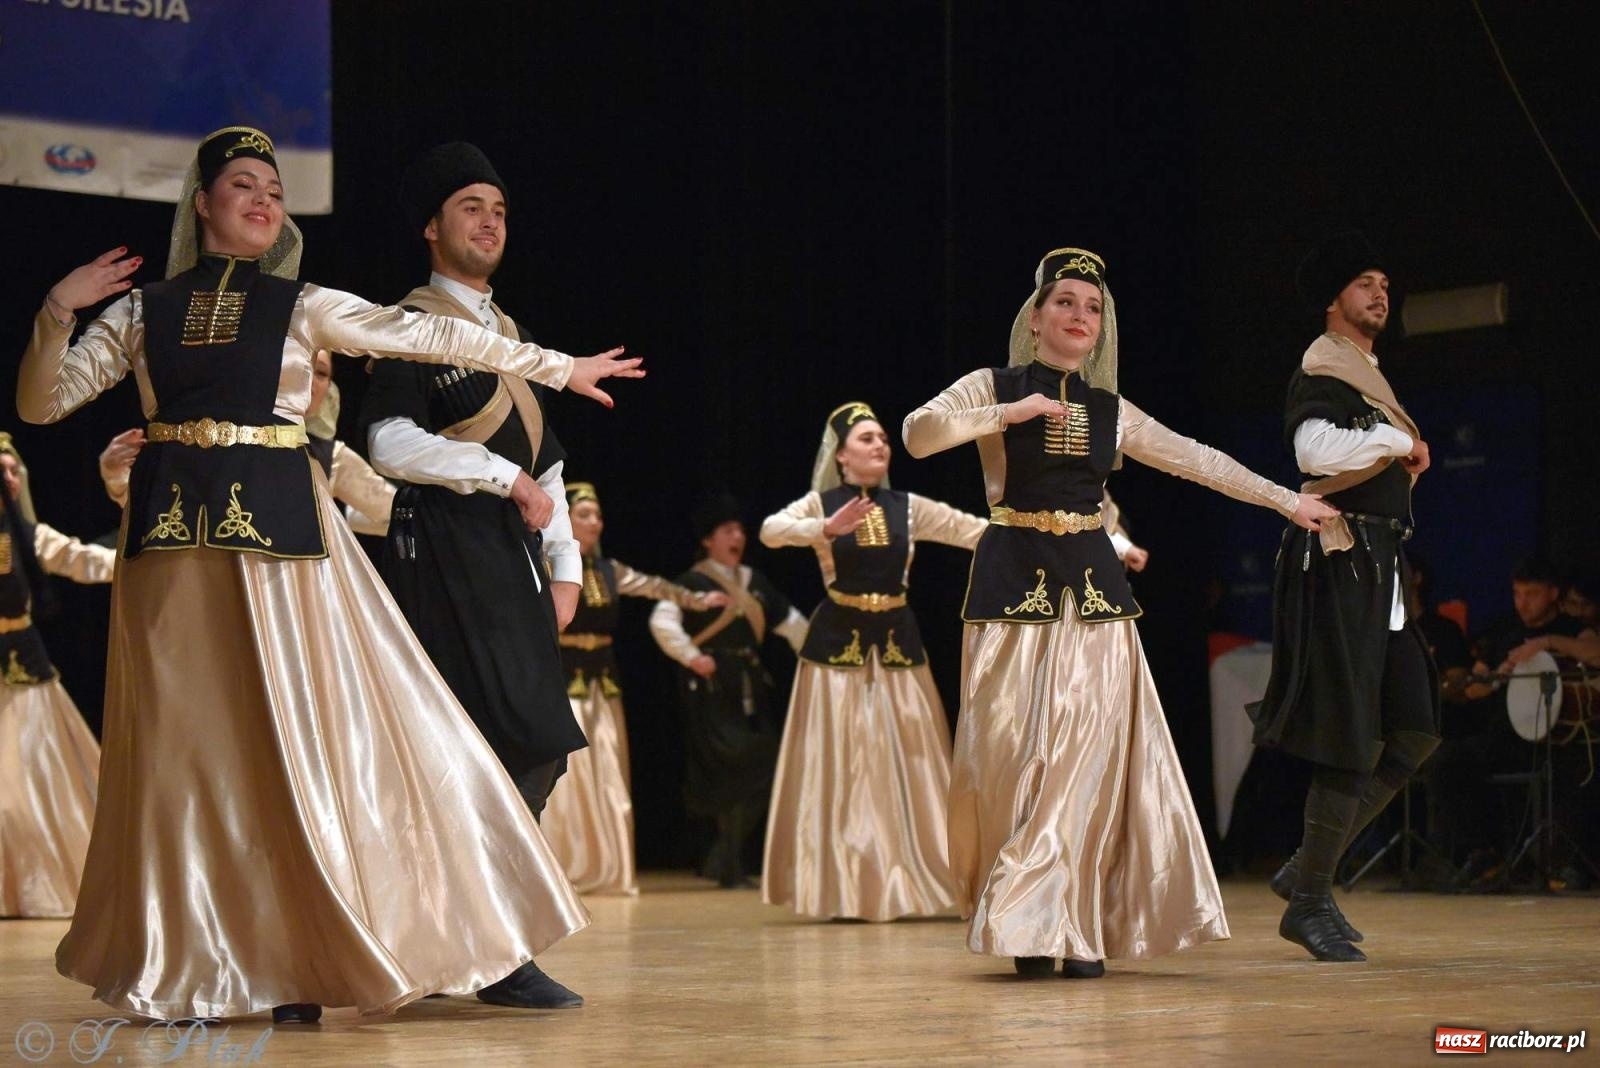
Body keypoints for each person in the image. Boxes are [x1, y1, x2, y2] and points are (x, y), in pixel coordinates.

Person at [17, 126, 642, 1022]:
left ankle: (310, 953)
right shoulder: (142, 310)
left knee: (300, 740)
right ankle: (209, 955)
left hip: (285, 537)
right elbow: (42, 403)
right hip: (173, 544)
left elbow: (425, 334)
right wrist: (56, 310)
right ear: (202, 205)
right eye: (241, 184)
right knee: (188, 750)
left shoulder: (304, 304)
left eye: (273, 186)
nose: (262, 198)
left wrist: (559, 366)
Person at [902, 246, 1335, 978]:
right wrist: (1006, 412)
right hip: (1015, 586)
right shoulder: (992, 384)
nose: (1080, 316)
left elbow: (1199, 460)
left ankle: (1072, 919)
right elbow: (918, 433)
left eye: (1093, 307)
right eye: (1065, 301)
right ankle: (1029, 916)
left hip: (1096, 594)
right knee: (1018, 755)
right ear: (1035, 317)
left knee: (1089, 757)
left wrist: (1290, 502)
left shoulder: (1110, 410)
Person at [360, 145, 591, 892]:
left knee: (536, 746)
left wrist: (566, 569)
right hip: (439, 553)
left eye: (498, 211)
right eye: (471, 208)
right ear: (432, 228)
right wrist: (501, 476)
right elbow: (388, 440)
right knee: (465, 747)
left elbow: (549, 464)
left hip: (508, 560)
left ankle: (488, 933)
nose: (490, 223)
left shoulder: (512, 336)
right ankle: (472, 936)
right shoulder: (408, 324)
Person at [1251, 233, 1440, 962]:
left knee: (1415, 728)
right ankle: (1307, 902)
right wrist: (1395, 443)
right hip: (1339, 561)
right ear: (1336, 300)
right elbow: (1314, 455)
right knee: (1351, 738)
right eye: (1365, 283)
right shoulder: (1322, 366)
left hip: (1377, 564)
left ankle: (1308, 868)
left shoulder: (1362, 371)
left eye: (1385, 284)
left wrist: (1396, 452)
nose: (1380, 294)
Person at [758, 402, 984, 921]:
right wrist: (823, 528)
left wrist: (1088, 536)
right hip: (837, 645)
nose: (879, 445)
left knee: (913, 760)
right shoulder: (822, 502)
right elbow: (771, 531)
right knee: (844, 761)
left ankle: (919, 878)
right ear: (840, 456)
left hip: (899, 642)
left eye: (883, 438)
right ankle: (844, 880)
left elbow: (974, 530)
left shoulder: (908, 506)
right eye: (866, 439)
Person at [541, 481, 727, 895]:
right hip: (565, 677)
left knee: (606, 767)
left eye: (598, 515)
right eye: (584, 514)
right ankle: (563, 867)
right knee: (570, 775)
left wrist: (697, 600)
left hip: (602, 680)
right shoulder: (546, 563)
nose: (595, 522)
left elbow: (654, 586)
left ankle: (606, 865)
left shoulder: (610, 570)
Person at [649, 496, 807, 887]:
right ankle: (726, 862)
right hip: (711, 685)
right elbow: (662, 622)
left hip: (750, 685)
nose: (738, 537)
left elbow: (791, 622)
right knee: (730, 769)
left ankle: (726, 860)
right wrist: (690, 656)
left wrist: (821, 658)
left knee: (765, 766)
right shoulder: (691, 583)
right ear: (709, 540)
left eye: (739, 530)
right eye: (728, 531)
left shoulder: (755, 582)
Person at [98, 347, 394, 535]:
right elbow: (163, 513)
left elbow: (393, 512)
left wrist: (343, 519)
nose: (309, 380)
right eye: (301, 365)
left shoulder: (331, 458)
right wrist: (114, 474)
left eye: (321, 373)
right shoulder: (221, 434)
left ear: (329, 387)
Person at [0, 434, 115, 917]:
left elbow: (83, 559)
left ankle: (34, 888)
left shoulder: (28, 536)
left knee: (28, 796)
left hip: (24, 669)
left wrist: (150, 562)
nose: (5, 478)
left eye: (10, 470)